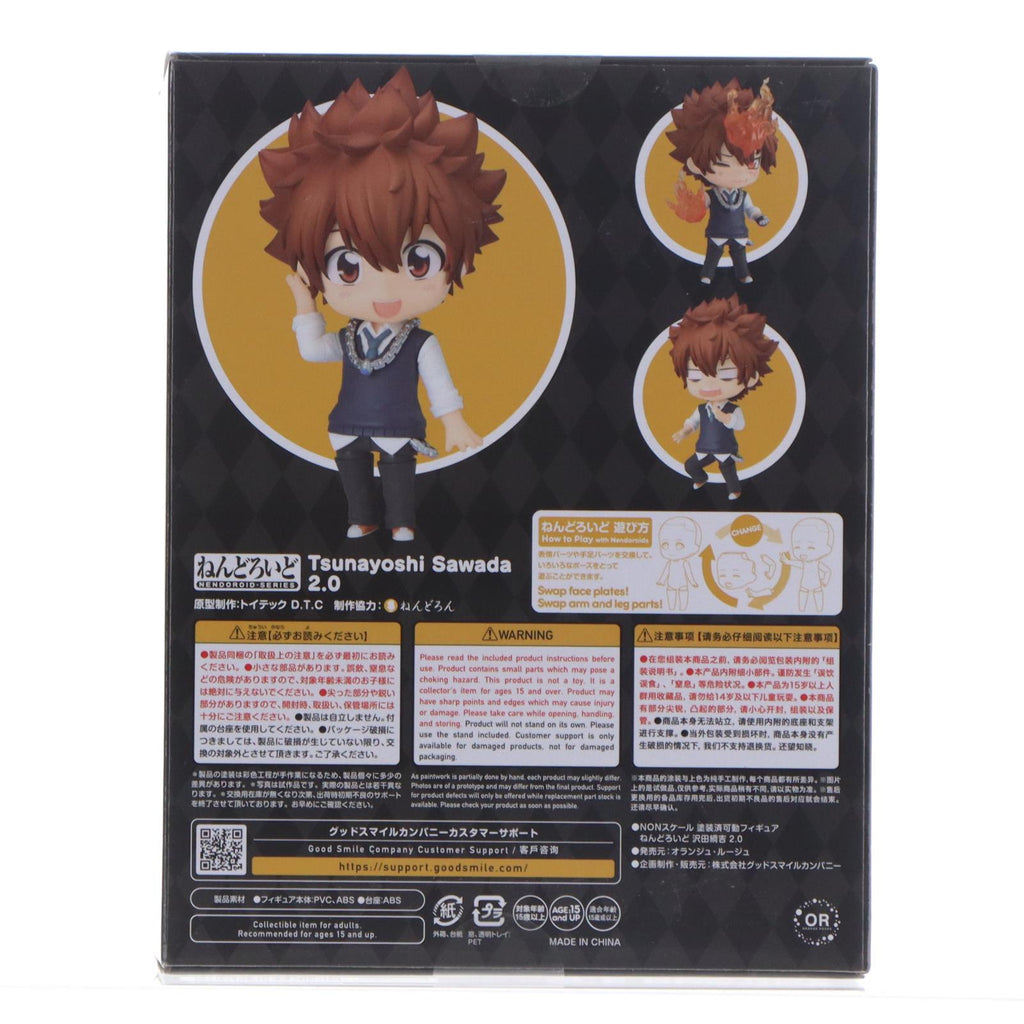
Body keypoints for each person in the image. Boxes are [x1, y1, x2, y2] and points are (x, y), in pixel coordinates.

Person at [258, 68, 506, 541]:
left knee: (397, 475)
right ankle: (361, 518)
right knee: (352, 472)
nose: (387, 291)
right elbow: (313, 352)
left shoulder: (420, 343)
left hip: (398, 427)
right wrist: (305, 307)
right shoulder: (349, 338)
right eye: (349, 268)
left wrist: (453, 422)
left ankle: (403, 523)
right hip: (347, 423)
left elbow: (440, 385)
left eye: (418, 262)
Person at [666, 78, 778, 284]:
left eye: (752, 162)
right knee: (713, 255)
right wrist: (689, 207)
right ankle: (707, 274)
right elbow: (700, 205)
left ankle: (743, 274)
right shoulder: (711, 195)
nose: (740, 172)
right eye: (725, 163)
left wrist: (759, 217)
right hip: (717, 233)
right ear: (695, 163)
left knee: (740, 256)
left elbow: (751, 209)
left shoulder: (743, 195)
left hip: (739, 233)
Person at [669, 295, 777, 500]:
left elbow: (740, 424)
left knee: (728, 470)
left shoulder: (732, 409)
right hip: (704, 448)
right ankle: (700, 478)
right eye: (695, 377)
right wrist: (685, 431)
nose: (709, 385)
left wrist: (727, 419)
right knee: (691, 465)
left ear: (751, 378)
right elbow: (693, 421)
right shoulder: (702, 409)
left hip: (724, 448)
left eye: (726, 375)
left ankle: (734, 490)